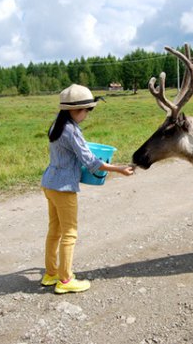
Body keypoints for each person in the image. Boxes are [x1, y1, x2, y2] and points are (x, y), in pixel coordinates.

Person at [40, 84, 134, 294]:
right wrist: (118, 169)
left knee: (54, 231)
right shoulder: (71, 130)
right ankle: (65, 280)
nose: (87, 115)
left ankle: (51, 273)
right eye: (86, 111)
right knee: (70, 233)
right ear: (75, 110)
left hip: (50, 184)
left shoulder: (57, 124)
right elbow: (90, 161)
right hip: (64, 188)